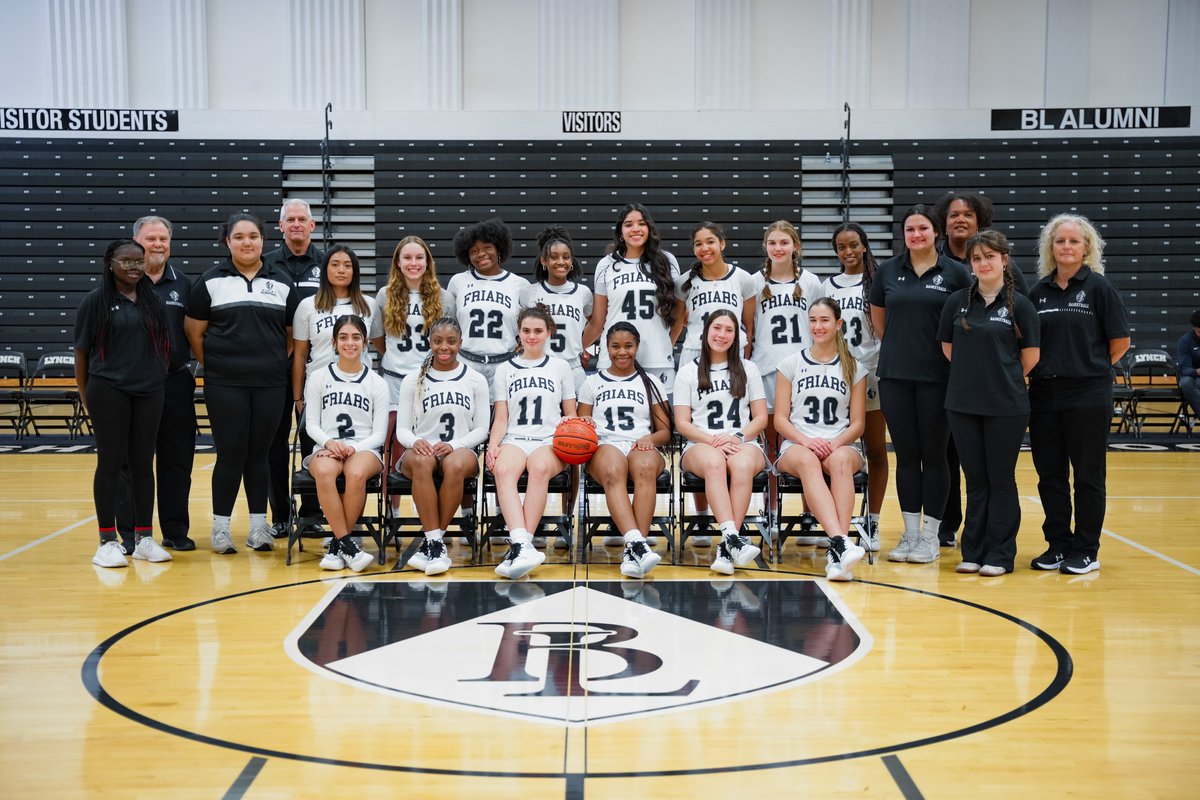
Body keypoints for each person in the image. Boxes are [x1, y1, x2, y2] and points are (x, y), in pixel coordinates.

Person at [185, 213, 299, 554]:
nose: (246, 242)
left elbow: (290, 337)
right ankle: (221, 529)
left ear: (263, 240)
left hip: (269, 383)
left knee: (260, 455)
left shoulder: (281, 281)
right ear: (227, 242)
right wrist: (218, 367)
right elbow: (194, 333)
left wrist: (268, 363)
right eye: (239, 237)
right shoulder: (209, 281)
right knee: (231, 454)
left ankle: (257, 527)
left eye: (253, 236)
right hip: (225, 384)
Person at [868, 204, 971, 564]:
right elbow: (880, 322)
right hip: (896, 376)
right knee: (907, 458)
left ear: (936, 232)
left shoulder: (957, 273)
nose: (916, 235)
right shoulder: (887, 272)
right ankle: (910, 535)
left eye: (923, 229)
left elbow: (965, 323)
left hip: (939, 378)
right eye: (910, 229)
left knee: (936, 455)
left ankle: (931, 536)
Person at [1027, 214, 1130, 574]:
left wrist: (1086, 368)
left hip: (1088, 393)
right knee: (1050, 475)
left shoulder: (1099, 288)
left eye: (1074, 241)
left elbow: (1120, 343)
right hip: (1043, 394)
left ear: (1087, 248)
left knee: (1087, 475)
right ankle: (1058, 544)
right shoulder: (1037, 292)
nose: (1066, 247)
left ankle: (1086, 549)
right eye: (1060, 241)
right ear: (1050, 247)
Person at [938, 231, 1040, 576]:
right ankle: (973, 550)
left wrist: (999, 377)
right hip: (962, 404)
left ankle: (999, 553)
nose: (983, 263)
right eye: (977, 258)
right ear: (971, 264)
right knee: (974, 479)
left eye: (990, 257)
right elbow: (948, 350)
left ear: (1004, 260)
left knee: (1000, 478)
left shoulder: (1021, 305)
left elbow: (1030, 357)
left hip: (1006, 406)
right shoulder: (957, 302)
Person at [75, 239, 171, 568]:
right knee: (111, 464)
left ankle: (144, 537)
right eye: (126, 261)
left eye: (138, 261)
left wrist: (157, 378)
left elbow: (164, 347)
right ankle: (107, 541)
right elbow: (82, 354)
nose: (133, 267)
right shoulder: (95, 302)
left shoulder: (152, 301)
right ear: (110, 263)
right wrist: (87, 396)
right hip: (108, 390)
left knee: (144, 464)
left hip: (148, 391)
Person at [113, 216, 196, 552]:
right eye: (151, 239)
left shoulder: (187, 286)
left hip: (174, 384)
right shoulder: (119, 284)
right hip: (130, 387)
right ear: (135, 242)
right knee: (132, 462)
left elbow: (196, 332)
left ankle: (175, 531)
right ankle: (132, 533)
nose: (158, 244)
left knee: (177, 462)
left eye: (164, 238)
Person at [774, 297, 869, 581]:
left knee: (840, 461)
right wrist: (805, 441)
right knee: (807, 461)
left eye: (824, 320)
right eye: (813, 320)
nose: (818, 326)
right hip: (798, 445)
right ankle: (840, 542)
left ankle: (836, 552)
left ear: (838, 324)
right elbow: (780, 419)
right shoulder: (790, 364)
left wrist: (835, 443)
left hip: (839, 443)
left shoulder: (854, 367)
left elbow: (858, 424)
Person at [487, 306, 578, 580]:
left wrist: (571, 433)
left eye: (538, 331)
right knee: (502, 470)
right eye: (526, 331)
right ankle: (523, 544)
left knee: (539, 469)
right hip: (515, 438)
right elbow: (501, 417)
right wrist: (493, 445)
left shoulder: (561, 367)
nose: (532, 336)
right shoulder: (504, 370)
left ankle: (520, 546)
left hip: (549, 440)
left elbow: (570, 413)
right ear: (518, 333)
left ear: (549, 332)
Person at [395, 317, 490, 576]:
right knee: (424, 462)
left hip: (460, 450)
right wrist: (417, 442)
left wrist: (455, 444)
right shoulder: (412, 380)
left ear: (460, 343)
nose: (444, 347)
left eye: (450, 341)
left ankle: (433, 543)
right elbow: (401, 429)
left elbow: (482, 429)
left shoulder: (475, 379)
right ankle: (435, 543)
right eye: (437, 341)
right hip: (421, 451)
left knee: (456, 463)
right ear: (430, 343)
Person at [674, 309, 767, 574]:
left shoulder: (749, 369)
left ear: (737, 336)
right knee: (714, 463)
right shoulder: (687, 372)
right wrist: (714, 440)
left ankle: (727, 548)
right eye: (717, 328)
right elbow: (682, 424)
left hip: (742, 440)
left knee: (742, 465)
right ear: (705, 333)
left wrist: (737, 436)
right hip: (701, 443)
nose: (722, 335)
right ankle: (733, 538)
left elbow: (760, 418)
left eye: (729, 330)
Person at [577, 322, 673, 578]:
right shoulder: (592, 383)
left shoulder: (650, 382)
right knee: (613, 467)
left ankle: (634, 551)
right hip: (604, 445)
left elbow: (665, 432)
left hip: (639, 444)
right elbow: (580, 432)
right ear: (605, 348)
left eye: (628, 346)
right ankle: (637, 544)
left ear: (637, 347)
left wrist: (649, 437)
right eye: (615, 346)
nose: (622, 352)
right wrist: (585, 425)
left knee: (644, 467)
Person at [303, 316, 389, 573]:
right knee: (326, 471)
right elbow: (312, 424)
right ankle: (347, 545)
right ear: (334, 342)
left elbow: (380, 433)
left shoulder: (377, 383)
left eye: (356, 337)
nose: (349, 343)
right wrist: (329, 442)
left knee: (356, 472)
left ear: (365, 343)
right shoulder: (318, 378)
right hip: (327, 446)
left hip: (364, 448)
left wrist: (353, 448)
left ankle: (338, 546)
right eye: (343, 337)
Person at [292, 245, 384, 482]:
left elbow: (381, 346)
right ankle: (311, 514)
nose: (341, 270)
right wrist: (297, 397)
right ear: (325, 269)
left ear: (355, 271)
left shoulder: (368, 305)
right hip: (319, 390)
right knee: (320, 454)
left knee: (355, 463)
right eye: (335, 264)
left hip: (358, 390)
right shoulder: (308, 306)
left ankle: (352, 515)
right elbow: (300, 354)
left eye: (347, 265)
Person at [823, 223, 887, 551]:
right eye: (841, 247)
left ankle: (872, 522)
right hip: (838, 377)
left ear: (864, 246)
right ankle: (837, 522)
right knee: (835, 450)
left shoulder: (878, 281)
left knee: (875, 450)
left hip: (872, 372)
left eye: (853, 245)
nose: (848, 252)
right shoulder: (827, 286)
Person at [264, 199, 324, 537]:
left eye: (303, 219)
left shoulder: (328, 265)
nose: (297, 224)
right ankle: (281, 516)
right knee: (274, 443)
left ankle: (313, 512)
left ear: (312, 226)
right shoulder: (267, 264)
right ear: (281, 225)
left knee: (313, 440)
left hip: (315, 370)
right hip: (274, 367)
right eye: (291, 219)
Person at [581, 203, 684, 391]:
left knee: (660, 420)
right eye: (629, 224)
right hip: (613, 359)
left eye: (641, 223)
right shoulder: (606, 264)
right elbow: (597, 322)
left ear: (649, 229)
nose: (635, 229)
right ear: (621, 231)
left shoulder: (667, 261)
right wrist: (577, 349)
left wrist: (666, 345)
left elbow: (678, 315)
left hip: (658, 360)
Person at [749, 220, 823, 460]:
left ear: (796, 247)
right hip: (766, 369)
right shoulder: (754, 282)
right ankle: (771, 500)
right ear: (765, 246)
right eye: (772, 243)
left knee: (804, 443)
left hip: (802, 370)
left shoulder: (811, 282)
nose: (777, 248)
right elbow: (748, 328)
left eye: (784, 242)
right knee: (770, 445)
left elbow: (821, 327)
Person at [446, 218, 529, 392]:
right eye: (474, 251)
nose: (481, 254)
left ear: (499, 248)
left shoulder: (520, 284)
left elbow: (528, 326)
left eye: (487, 248)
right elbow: (450, 325)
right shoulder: (458, 282)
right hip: (467, 362)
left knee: (502, 417)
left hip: (505, 363)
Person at [519, 226, 593, 392]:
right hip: (538, 367)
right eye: (554, 257)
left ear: (572, 261)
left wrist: (581, 345)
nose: (561, 262)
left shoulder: (583, 293)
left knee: (575, 418)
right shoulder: (528, 292)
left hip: (573, 368)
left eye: (566, 257)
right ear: (543, 261)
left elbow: (596, 324)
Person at [377, 236, 449, 405]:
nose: (413, 263)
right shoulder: (384, 295)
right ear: (398, 263)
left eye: (419, 257)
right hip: (393, 379)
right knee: (394, 429)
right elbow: (378, 339)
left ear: (428, 262)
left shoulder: (444, 297)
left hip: (431, 377)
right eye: (407, 258)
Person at [675, 221, 757, 365]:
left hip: (732, 352)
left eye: (710, 242)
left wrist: (746, 359)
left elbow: (748, 328)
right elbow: (677, 325)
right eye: (698, 244)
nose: (704, 248)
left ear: (722, 244)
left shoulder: (744, 279)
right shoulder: (683, 282)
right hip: (694, 353)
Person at [1178, 310, 1200, 422]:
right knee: (1186, 383)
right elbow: (1184, 369)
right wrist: (1196, 372)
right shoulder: (1185, 341)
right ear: (1195, 328)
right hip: (1193, 375)